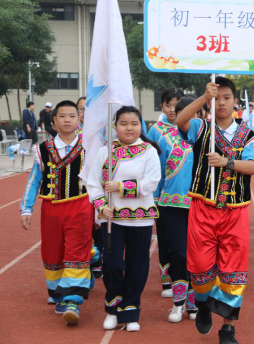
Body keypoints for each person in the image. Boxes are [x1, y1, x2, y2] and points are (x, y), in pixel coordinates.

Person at [176, 78, 254, 344]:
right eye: (217, 98)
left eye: (226, 97)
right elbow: (180, 120)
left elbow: (253, 167)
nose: (221, 103)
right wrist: (202, 97)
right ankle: (202, 301)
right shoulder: (201, 128)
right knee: (200, 268)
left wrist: (227, 162)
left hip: (235, 211)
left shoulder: (249, 134)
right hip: (203, 207)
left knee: (233, 270)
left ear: (236, 101)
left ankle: (228, 328)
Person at [87, 106, 161, 332]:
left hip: (141, 219)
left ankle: (130, 310)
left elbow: (151, 183)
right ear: (115, 126)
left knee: (138, 266)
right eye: (123, 124)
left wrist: (119, 187)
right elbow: (93, 183)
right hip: (112, 220)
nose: (129, 128)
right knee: (112, 264)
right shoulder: (105, 151)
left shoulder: (149, 151)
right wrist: (100, 206)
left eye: (134, 124)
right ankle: (112, 308)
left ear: (141, 126)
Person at [20, 100, 93, 326]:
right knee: (52, 253)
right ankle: (57, 291)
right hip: (50, 210)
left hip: (80, 207)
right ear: (53, 121)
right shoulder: (42, 149)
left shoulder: (89, 146)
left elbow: (99, 180)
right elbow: (34, 180)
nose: (68, 120)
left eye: (72, 115)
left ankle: (72, 300)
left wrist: (99, 210)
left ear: (78, 119)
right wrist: (26, 207)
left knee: (76, 251)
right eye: (62, 116)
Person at [154, 96, 198, 322]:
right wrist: (154, 198)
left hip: (201, 205)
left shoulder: (205, 139)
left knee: (198, 254)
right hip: (170, 204)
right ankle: (179, 302)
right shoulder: (163, 136)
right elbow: (157, 171)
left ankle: (194, 297)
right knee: (178, 252)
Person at [148, 88, 184, 298]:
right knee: (165, 238)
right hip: (161, 196)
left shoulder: (190, 128)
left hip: (187, 197)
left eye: (176, 105)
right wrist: (154, 196)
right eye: (168, 105)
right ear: (162, 106)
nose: (173, 109)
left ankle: (184, 277)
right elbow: (154, 166)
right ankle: (166, 278)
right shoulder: (155, 131)